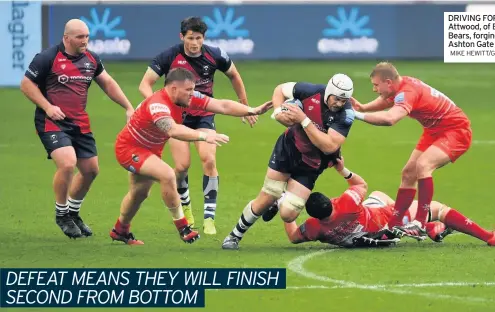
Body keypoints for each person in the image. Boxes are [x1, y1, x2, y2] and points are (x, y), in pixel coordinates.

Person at [111, 68, 272, 245]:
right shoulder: (158, 104)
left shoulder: (187, 97)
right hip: (129, 149)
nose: (192, 94)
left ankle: (120, 230)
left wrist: (252, 110)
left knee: (139, 193)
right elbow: (173, 130)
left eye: (192, 89)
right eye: (188, 90)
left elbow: (221, 105)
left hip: (150, 150)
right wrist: (204, 135)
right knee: (167, 175)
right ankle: (183, 227)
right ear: (173, 89)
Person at [138, 16, 256, 234]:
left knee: (209, 159)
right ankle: (186, 207)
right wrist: (157, 107)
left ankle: (209, 218)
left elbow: (234, 76)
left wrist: (244, 105)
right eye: (190, 38)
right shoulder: (169, 56)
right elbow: (145, 84)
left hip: (203, 114)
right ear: (181, 36)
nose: (194, 43)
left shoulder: (215, 54)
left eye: (198, 38)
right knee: (182, 166)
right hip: (176, 118)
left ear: (204, 38)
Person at [20, 19, 134, 239]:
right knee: (68, 163)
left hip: (79, 122)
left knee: (91, 170)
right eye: (80, 37)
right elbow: (26, 84)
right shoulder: (47, 58)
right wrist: (48, 107)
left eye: (87, 36)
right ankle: (61, 214)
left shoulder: (92, 59)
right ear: (66, 38)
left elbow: (108, 83)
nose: (85, 41)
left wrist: (128, 106)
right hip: (51, 121)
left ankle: (73, 212)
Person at [221, 74, 357, 250]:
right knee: (268, 194)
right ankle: (234, 235)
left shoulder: (346, 114)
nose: (339, 103)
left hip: (312, 164)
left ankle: (280, 201)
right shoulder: (310, 91)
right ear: (328, 92)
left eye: (343, 100)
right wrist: (278, 112)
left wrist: (303, 120)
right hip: (288, 149)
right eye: (337, 99)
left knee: (288, 214)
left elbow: (329, 146)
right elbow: (280, 90)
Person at [353, 62, 473, 238]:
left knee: (423, 165)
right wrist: (363, 107)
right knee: (409, 173)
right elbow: (386, 100)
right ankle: (392, 225)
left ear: (388, 82)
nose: (374, 89)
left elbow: (390, 118)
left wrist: (356, 115)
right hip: (434, 130)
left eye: (376, 85)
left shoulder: (408, 92)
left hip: (455, 130)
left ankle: (420, 222)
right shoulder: (399, 86)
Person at [283, 158, 495, 248]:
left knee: (380, 194)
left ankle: (431, 229)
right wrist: (342, 169)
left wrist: (287, 208)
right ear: (330, 203)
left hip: (360, 236)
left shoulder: (314, 228)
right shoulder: (346, 204)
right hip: (385, 223)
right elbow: (360, 185)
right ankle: (488, 236)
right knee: (438, 208)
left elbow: (293, 235)